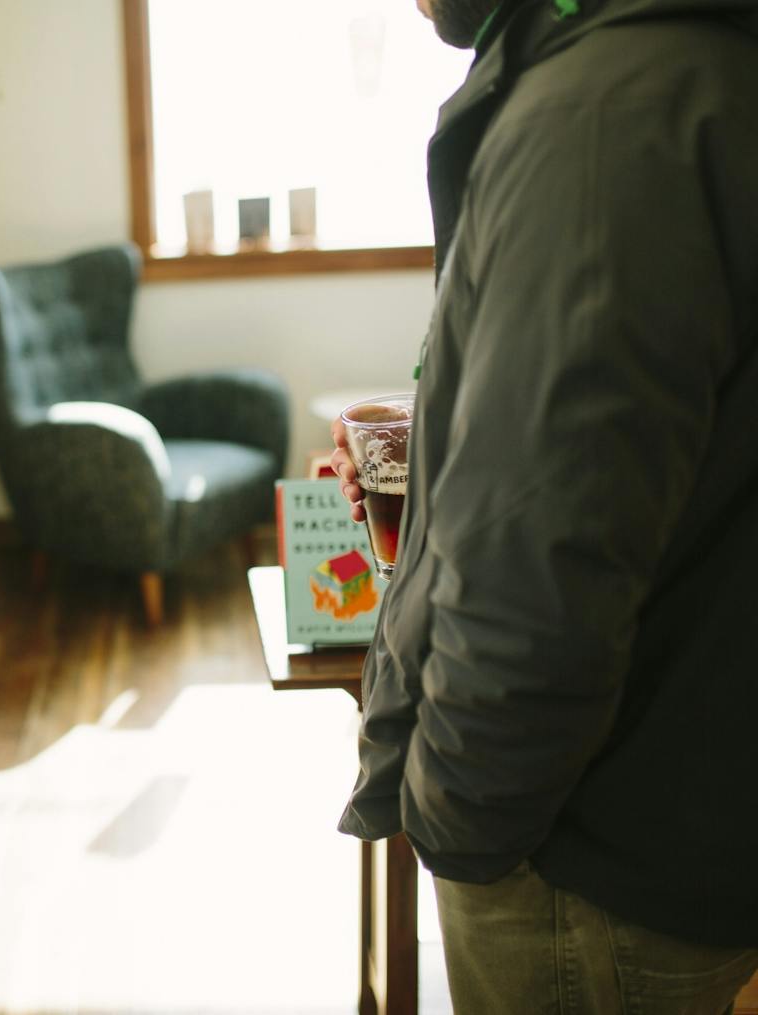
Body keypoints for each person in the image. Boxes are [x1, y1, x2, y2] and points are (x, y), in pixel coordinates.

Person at [330, 0, 758, 1011]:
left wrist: (460, 828)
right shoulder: (689, 68)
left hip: (590, 861)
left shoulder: (607, 114)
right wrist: (446, 447)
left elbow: (537, 569)